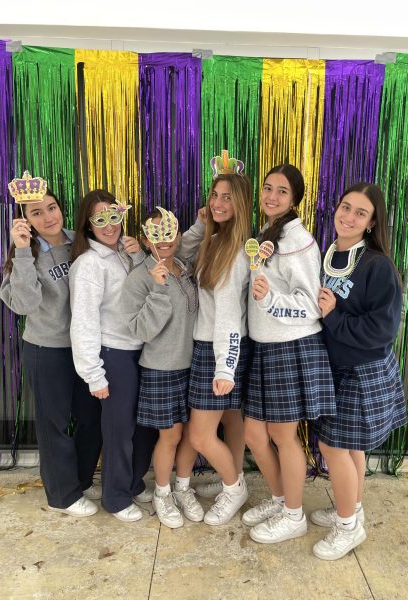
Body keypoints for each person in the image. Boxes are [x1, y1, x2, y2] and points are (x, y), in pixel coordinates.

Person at [311, 182, 407, 560]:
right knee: (349, 446)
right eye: (345, 207)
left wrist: (333, 318)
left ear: (371, 223)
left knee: (332, 445)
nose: (348, 216)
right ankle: (350, 507)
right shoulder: (330, 252)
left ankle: (348, 527)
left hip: (361, 371)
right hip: (336, 367)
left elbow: (381, 330)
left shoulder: (377, 265)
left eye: (360, 212)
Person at [243, 164, 335, 543]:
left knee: (283, 435)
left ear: (295, 198)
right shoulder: (267, 234)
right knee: (254, 433)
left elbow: (312, 304)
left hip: (290, 347)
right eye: (267, 188)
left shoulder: (297, 239)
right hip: (265, 348)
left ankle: (294, 515)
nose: (271, 196)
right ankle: (282, 499)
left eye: (281, 191)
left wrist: (270, 299)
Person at [0, 177, 102, 517]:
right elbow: (25, 304)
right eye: (36, 212)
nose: (47, 217)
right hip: (48, 350)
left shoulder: (80, 240)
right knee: (53, 423)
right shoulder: (25, 254)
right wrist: (24, 252)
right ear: (25, 219)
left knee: (91, 417)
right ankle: (63, 495)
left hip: (85, 348)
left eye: (52, 208)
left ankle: (82, 480)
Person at [69, 190, 158, 523]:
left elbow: (139, 294)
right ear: (88, 225)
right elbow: (84, 321)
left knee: (143, 426)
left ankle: (132, 483)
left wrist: (136, 258)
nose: (109, 225)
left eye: (113, 216)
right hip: (114, 354)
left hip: (140, 351)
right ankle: (116, 498)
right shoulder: (89, 264)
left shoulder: (123, 253)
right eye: (99, 219)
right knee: (119, 431)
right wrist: (94, 373)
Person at [120, 207, 203, 528]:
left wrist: (202, 222)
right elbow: (140, 330)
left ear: (178, 236)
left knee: (192, 436)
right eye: (156, 235)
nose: (164, 241)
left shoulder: (185, 267)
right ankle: (162, 494)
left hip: (193, 366)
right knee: (170, 435)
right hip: (161, 369)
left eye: (169, 233)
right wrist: (156, 289)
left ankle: (182, 488)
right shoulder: (140, 277)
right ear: (145, 240)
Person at [187, 153, 253, 525]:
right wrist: (201, 225)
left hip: (219, 350)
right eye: (214, 195)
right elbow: (178, 253)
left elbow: (229, 316)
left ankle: (234, 486)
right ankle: (235, 474)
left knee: (199, 436)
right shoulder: (215, 238)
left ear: (241, 202)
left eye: (228, 197)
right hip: (214, 346)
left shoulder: (233, 251)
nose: (218, 203)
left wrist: (225, 367)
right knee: (231, 418)